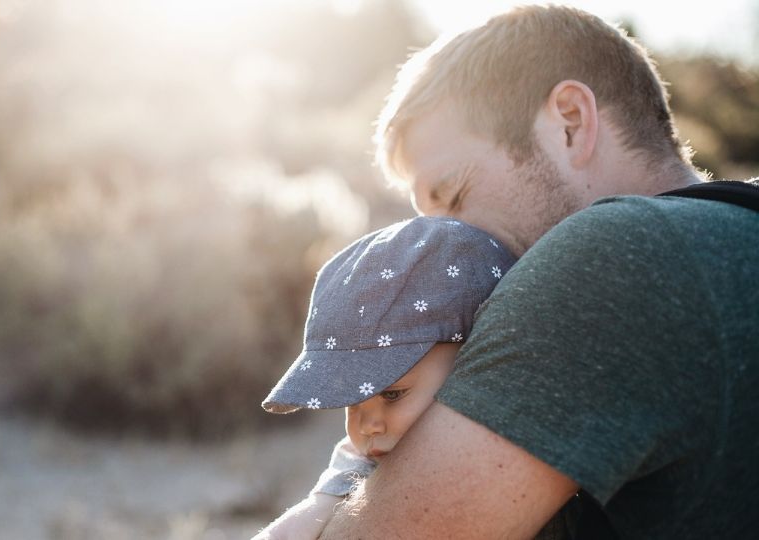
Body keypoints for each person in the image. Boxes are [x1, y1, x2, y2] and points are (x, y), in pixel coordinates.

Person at [314, 4, 759, 539]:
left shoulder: (611, 256)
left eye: (453, 196)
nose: (440, 248)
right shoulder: (734, 231)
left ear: (570, 122)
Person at [252, 216, 542, 539]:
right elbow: (301, 523)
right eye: (351, 402)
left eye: (392, 394)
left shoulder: (522, 440)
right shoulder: (364, 462)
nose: (366, 426)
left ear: (473, 357)